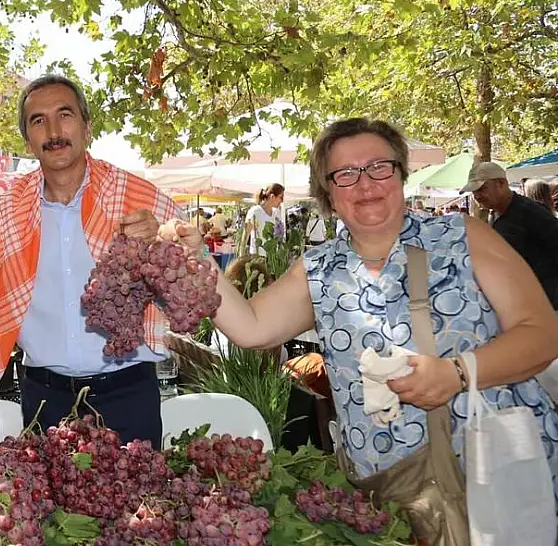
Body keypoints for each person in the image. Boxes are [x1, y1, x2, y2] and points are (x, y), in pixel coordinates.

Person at [172, 117, 558, 530]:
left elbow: (543, 333)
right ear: (329, 194)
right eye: (346, 174)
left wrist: (459, 372)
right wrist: (197, 261)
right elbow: (250, 327)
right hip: (393, 496)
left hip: (494, 475)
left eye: (379, 167)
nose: (365, 184)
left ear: (400, 175)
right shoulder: (319, 269)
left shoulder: (461, 235)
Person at [0, 75, 182, 447]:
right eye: (38, 120)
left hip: (127, 396)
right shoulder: (7, 212)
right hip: (46, 402)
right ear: (28, 141)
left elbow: (197, 275)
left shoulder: (137, 198)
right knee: (47, 506)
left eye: (65, 115)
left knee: (137, 505)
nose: (54, 130)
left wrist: (162, 242)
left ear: (87, 126)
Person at [461, 162, 558, 309]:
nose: (477, 196)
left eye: (482, 189)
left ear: (502, 183)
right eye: (474, 191)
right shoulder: (495, 213)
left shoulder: (530, 212)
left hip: (547, 303)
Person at [245, 183, 285, 254]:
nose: (282, 201)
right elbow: (245, 235)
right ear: (272, 196)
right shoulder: (255, 211)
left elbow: (279, 236)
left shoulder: (277, 213)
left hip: (273, 258)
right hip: (257, 257)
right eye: (281, 197)